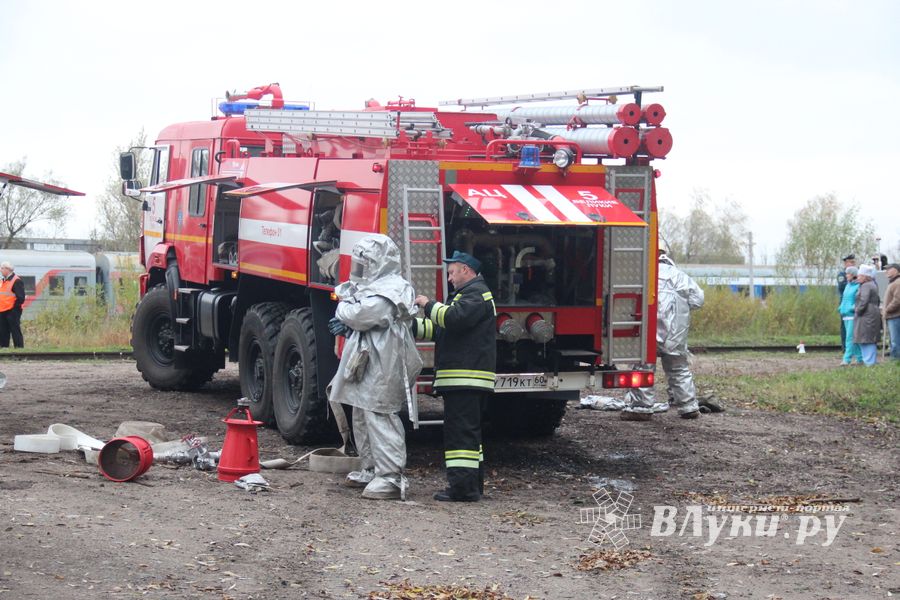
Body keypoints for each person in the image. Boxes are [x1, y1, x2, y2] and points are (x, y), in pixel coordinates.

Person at [326, 234, 423, 500]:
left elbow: (364, 314)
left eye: (364, 262)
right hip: (368, 358)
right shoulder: (370, 285)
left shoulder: (393, 288)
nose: (359, 267)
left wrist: (345, 309)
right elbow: (354, 304)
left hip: (385, 360)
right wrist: (349, 309)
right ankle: (370, 468)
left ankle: (391, 477)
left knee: (380, 413)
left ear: (379, 262)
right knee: (361, 410)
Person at [413, 250, 496, 503]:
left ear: (466, 270)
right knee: (468, 437)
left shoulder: (475, 294)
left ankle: (462, 490)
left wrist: (426, 304)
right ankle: (472, 486)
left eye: (451, 272)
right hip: (464, 380)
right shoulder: (466, 295)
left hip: (466, 379)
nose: (449, 278)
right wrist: (409, 326)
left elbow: (452, 319)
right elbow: (441, 330)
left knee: (460, 437)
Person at [622, 251, 705, 421]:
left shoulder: (643, 274)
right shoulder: (681, 276)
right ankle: (689, 407)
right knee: (679, 369)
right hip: (675, 335)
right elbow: (698, 300)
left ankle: (640, 408)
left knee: (643, 367)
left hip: (647, 330)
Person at [853, 264, 882, 366]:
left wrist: (857, 310)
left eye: (860, 276)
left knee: (866, 338)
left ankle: (869, 362)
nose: (858, 277)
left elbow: (863, 301)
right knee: (868, 337)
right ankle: (870, 361)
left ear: (865, 276)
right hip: (871, 313)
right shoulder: (872, 284)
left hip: (866, 315)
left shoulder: (866, 286)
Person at [838, 266, 863, 365]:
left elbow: (858, 301)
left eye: (848, 274)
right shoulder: (848, 285)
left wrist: (851, 308)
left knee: (849, 338)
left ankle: (846, 359)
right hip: (845, 315)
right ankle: (860, 358)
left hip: (852, 315)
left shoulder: (858, 286)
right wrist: (841, 308)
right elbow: (845, 299)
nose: (846, 275)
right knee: (853, 339)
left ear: (853, 275)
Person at [0, 261, 25, 349]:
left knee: (15, 330)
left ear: (8, 269)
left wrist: (14, 309)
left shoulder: (16, 281)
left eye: (2, 268)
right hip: (2, 310)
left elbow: (21, 298)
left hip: (13, 310)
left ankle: (19, 349)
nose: (0, 270)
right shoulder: (3, 281)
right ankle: (4, 348)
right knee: (3, 331)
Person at [837, 254, 856, 352]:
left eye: (854, 262)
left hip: (854, 302)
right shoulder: (842, 275)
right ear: (846, 263)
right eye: (851, 262)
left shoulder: (856, 274)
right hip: (845, 303)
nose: (853, 264)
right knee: (845, 327)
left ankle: (854, 348)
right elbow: (841, 287)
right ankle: (845, 347)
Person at [882, 263, 900, 360]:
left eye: (889, 269)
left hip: (895, 316)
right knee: (893, 341)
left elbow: (898, 300)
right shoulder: (893, 282)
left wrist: (887, 309)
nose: (887, 271)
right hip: (892, 316)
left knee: (895, 341)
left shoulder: (898, 282)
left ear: (896, 270)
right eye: (886, 269)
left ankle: (895, 362)